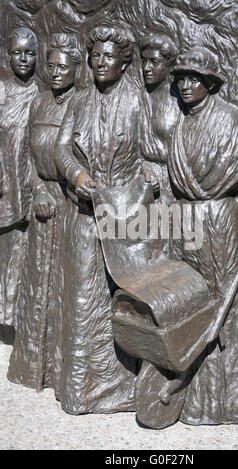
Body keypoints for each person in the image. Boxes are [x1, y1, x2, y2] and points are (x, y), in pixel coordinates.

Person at [168, 47, 238, 426]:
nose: (185, 86)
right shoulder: (182, 124)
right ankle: (195, 397)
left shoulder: (229, 119)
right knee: (193, 304)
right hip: (186, 224)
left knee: (224, 307)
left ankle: (226, 399)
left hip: (221, 222)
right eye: (181, 79)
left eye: (194, 79)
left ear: (210, 83)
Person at [53, 25, 140, 415]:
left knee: (121, 300)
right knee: (84, 300)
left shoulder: (136, 102)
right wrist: (79, 177)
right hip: (85, 218)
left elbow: (150, 154)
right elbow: (61, 150)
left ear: (123, 64)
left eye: (109, 57)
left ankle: (120, 385)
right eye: (96, 56)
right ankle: (80, 389)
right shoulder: (79, 101)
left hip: (124, 217)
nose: (101, 62)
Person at [8, 33, 81, 395]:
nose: (54, 73)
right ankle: (29, 368)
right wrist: (37, 189)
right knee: (36, 285)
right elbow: (26, 159)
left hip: (72, 204)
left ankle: (58, 372)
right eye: (50, 66)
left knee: (64, 287)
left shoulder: (81, 104)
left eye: (62, 67)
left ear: (75, 70)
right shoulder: (38, 104)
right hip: (42, 204)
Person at [0, 27, 38, 328]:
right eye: (17, 53)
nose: (23, 59)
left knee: (23, 255)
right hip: (4, 183)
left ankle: (15, 316)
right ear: (8, 55)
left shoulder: (41, 96)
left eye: (29, 53)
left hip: (30, 186)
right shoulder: (1, 93)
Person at [139, 33, 179, 206]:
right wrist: (145, 170)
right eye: (144, 61)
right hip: (143, 179)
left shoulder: (178, 101)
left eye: (154, 62)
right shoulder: (139, 98)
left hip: (174, 182)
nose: (147, 68)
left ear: (168, 65)